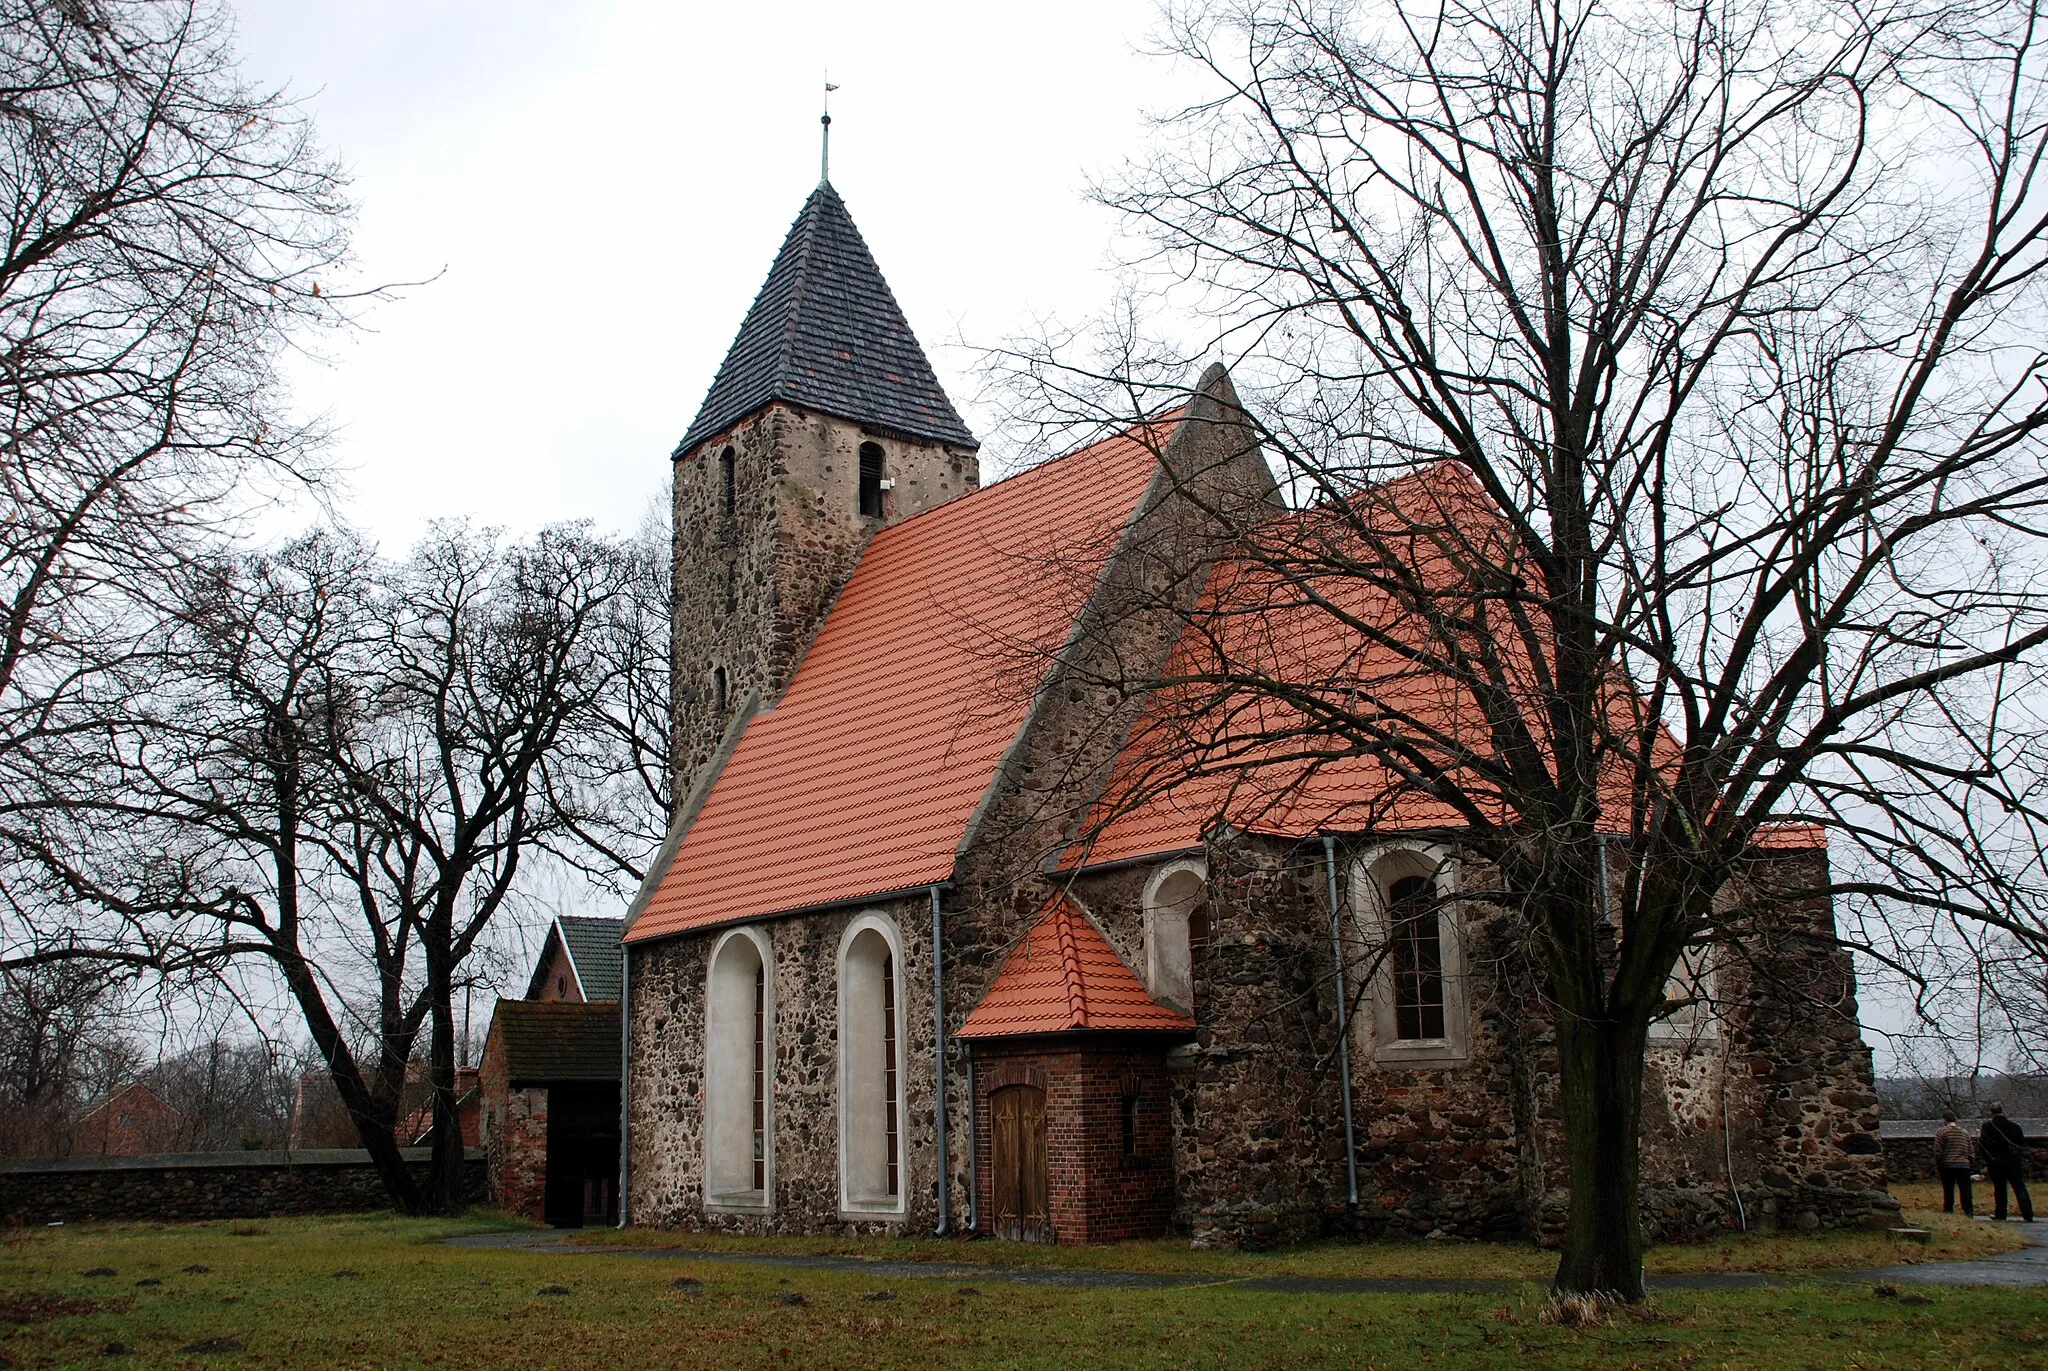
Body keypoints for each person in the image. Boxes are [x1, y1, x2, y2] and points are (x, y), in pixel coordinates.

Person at [1979, 1101, 2035, 1223]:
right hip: (2013, 1161)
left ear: (1991, 1112)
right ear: (2003, 1111)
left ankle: (2000, 1213)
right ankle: (2027, 1213)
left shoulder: (1987, 1127)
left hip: (1996, 1162)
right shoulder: (2014, 1127)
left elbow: (1982, 1146)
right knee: (2019, 1187)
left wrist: (1989, 1160)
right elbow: (2020, 1144)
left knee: (1999, 1189)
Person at [1933, 1111, 1975, 1216]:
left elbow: (1938, 1150)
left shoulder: (1942, 1132)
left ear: (1945, 1120)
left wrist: (1938, 1163)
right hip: (1963, 1165)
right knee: (1965, 1188)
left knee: (1948, 1189)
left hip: (1947, 1164)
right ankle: (1968, 1210)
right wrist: (1970, 1161)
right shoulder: (1964, 1132)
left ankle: (1948, 1209)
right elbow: (1971, 1150)